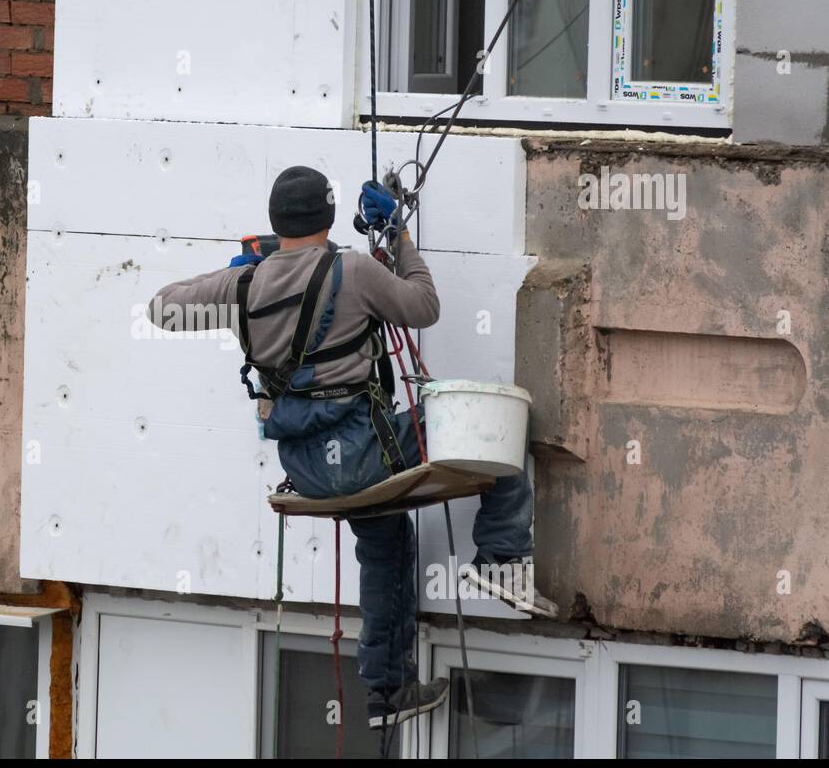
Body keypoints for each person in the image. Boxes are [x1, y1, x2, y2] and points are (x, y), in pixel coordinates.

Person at [148, 165, 557, 731]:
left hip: (309, 474)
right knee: (493, 429)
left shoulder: (242, 287)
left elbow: (162, 308)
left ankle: (387, 692)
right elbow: (424, 306)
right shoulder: (354, 270)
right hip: (366, 455)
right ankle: (502, 558)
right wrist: (400, 236)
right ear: (330, 215)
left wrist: (242, 275)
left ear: (274, 221)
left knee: (387, 542)